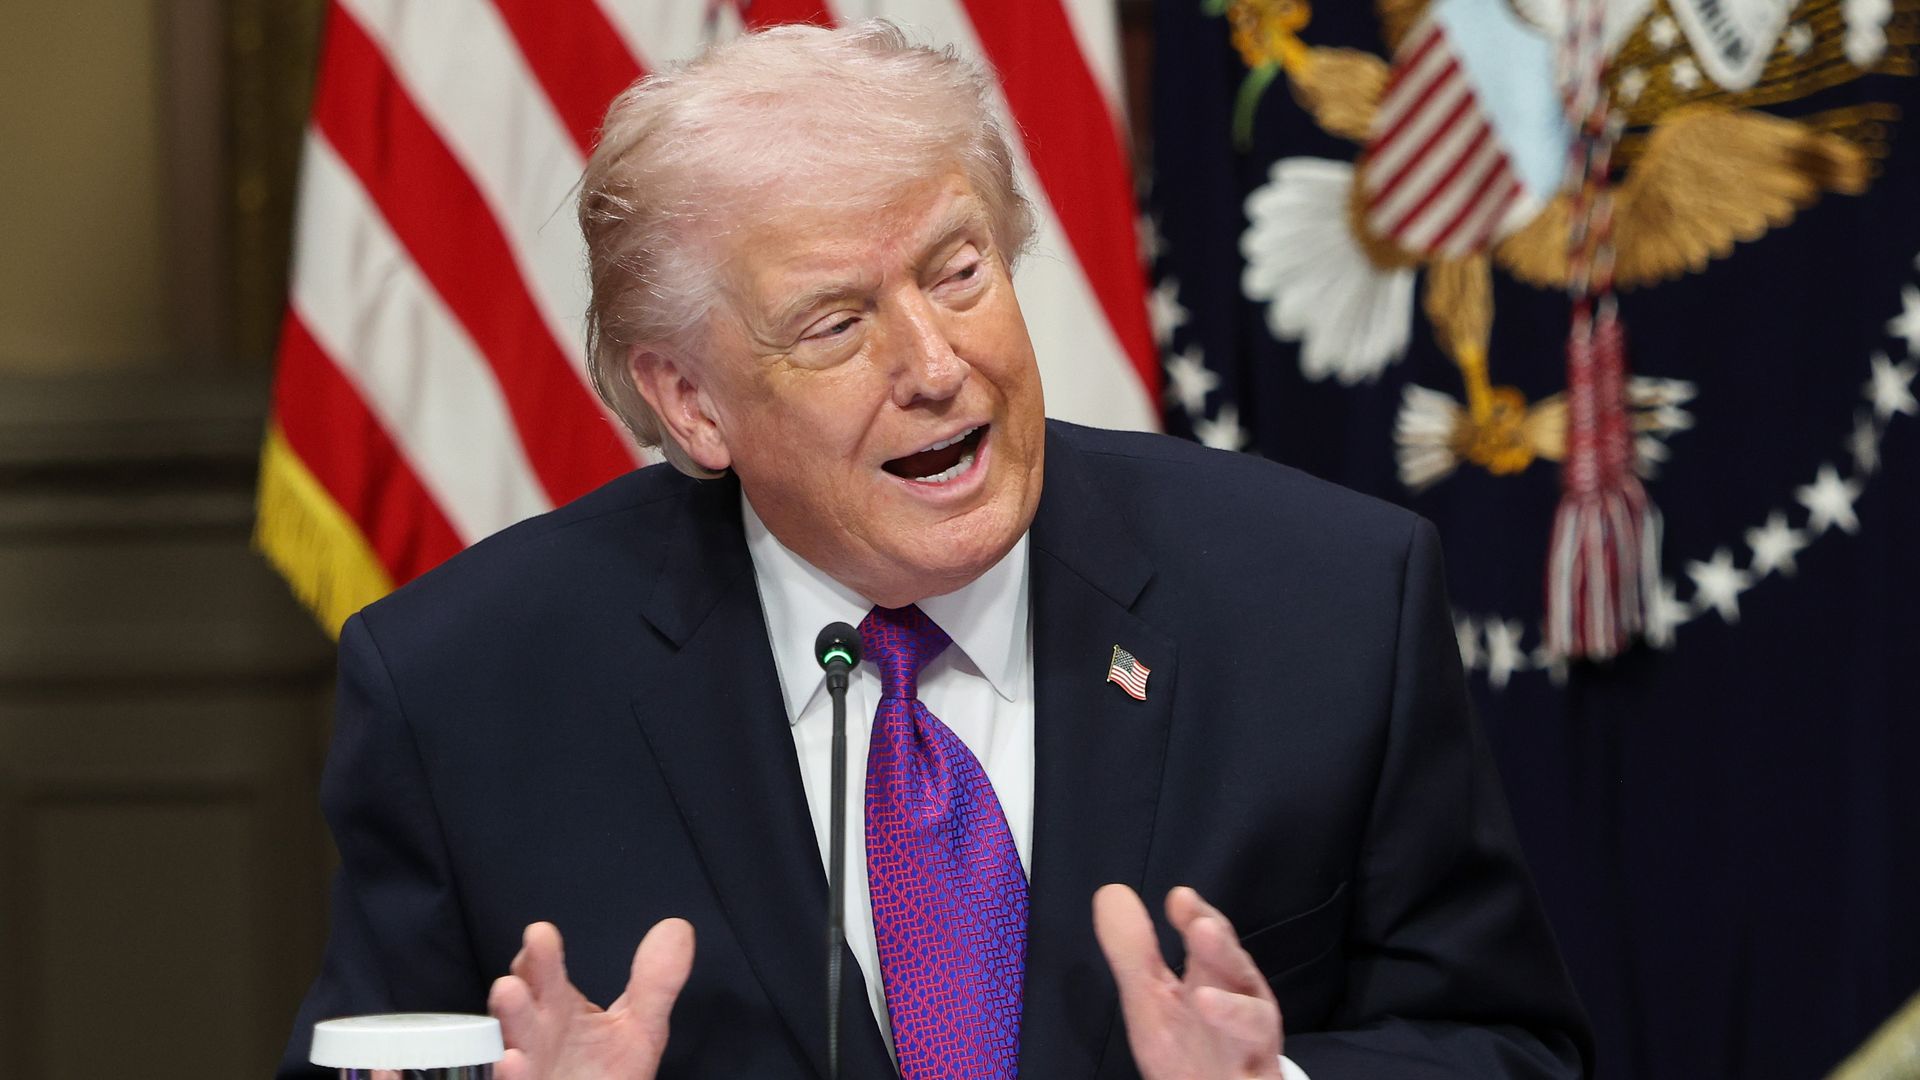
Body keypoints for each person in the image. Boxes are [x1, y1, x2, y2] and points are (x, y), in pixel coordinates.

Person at [279, 20, 1591, 1080]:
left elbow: (1507, 1046)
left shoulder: (1324, 604)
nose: (936, 364)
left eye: (959, 271)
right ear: (690, 402)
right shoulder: (467, 691)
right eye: (836, 324)